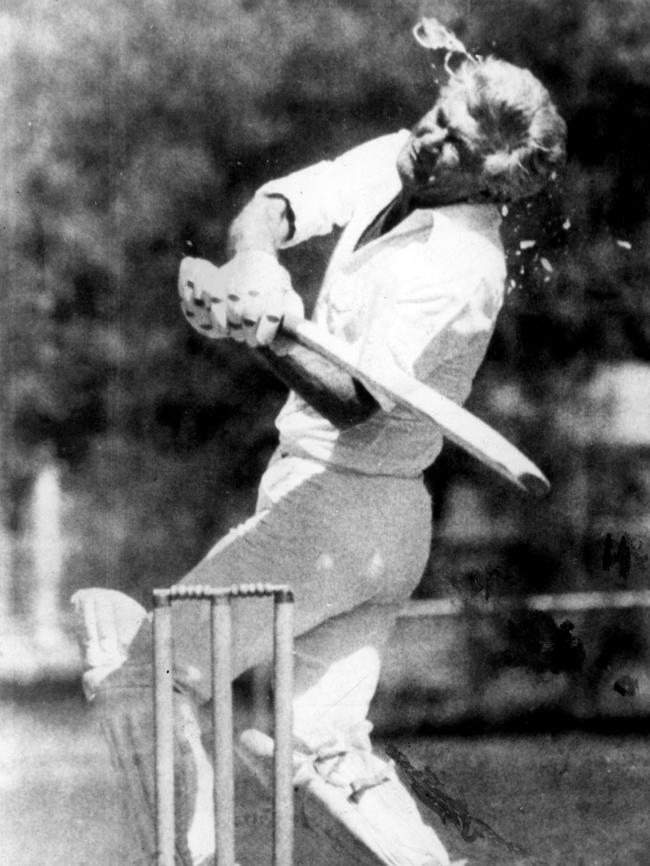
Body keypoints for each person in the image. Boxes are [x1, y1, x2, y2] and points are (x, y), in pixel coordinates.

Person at [73, 21, 566, 866]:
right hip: (379, 524)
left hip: (333, 510)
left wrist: (266, 335)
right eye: (436, 115)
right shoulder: (403, 158)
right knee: (324, 756)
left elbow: (352, 405)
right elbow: (272, 209)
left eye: (454, 144)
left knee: (151, 677)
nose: (429, 138)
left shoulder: (462, 268)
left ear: (493, 184)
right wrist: (257, 269)